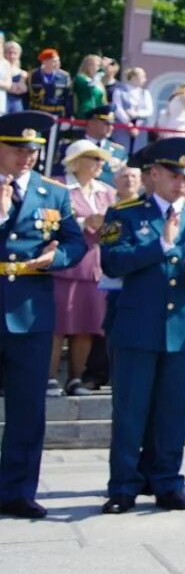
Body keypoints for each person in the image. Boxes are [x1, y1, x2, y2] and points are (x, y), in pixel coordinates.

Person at [98, 137, 185, 513]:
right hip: (137, 325)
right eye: (172, 174)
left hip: (180, 326)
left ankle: (167, 481)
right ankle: (123, 485)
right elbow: (112, 262)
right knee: (131, 410)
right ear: (153, 174)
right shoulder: (126, 214)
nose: (180, 182)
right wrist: (161, 247)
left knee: (172, 411)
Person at [0, 111, 88, 518]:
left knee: (28, 407)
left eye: (32, 151)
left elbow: (75, 242)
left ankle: (17, 490)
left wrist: (56, 257)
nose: (27, 158)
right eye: (18, 150)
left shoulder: (52, 192)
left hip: (31, 311)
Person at [53, 140, 118, 396]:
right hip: (66, 268)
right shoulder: (58, 187)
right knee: (57, 326)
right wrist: (83, 222)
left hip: (95, 268)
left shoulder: (107, 192)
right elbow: (50, 222)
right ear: (76, 161)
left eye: (101, 160)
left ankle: (75, 378)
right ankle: (48, 378)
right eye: (93, 158)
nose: (99, 164)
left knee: (86, 326)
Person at [110, 67, 154, 153]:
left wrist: (136, 114)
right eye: (143, 76)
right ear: (134, 77)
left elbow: (149, 111)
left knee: (138, 152)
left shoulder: (145, 93)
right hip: (122, 127)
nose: (145, 79)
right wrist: (128, 124)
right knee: (120, 151)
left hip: (140, 128)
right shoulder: (119, 91)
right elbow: (118, 109)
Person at [25, 50, 71, 119]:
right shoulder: (33, 75)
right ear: (44, 61)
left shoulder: (64, 76)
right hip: (37, 112)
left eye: (58, 61)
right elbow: (27, 96)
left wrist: (68, 116)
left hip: (57, 114)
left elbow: (68, 97)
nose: (58, 63)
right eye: (54, 61)